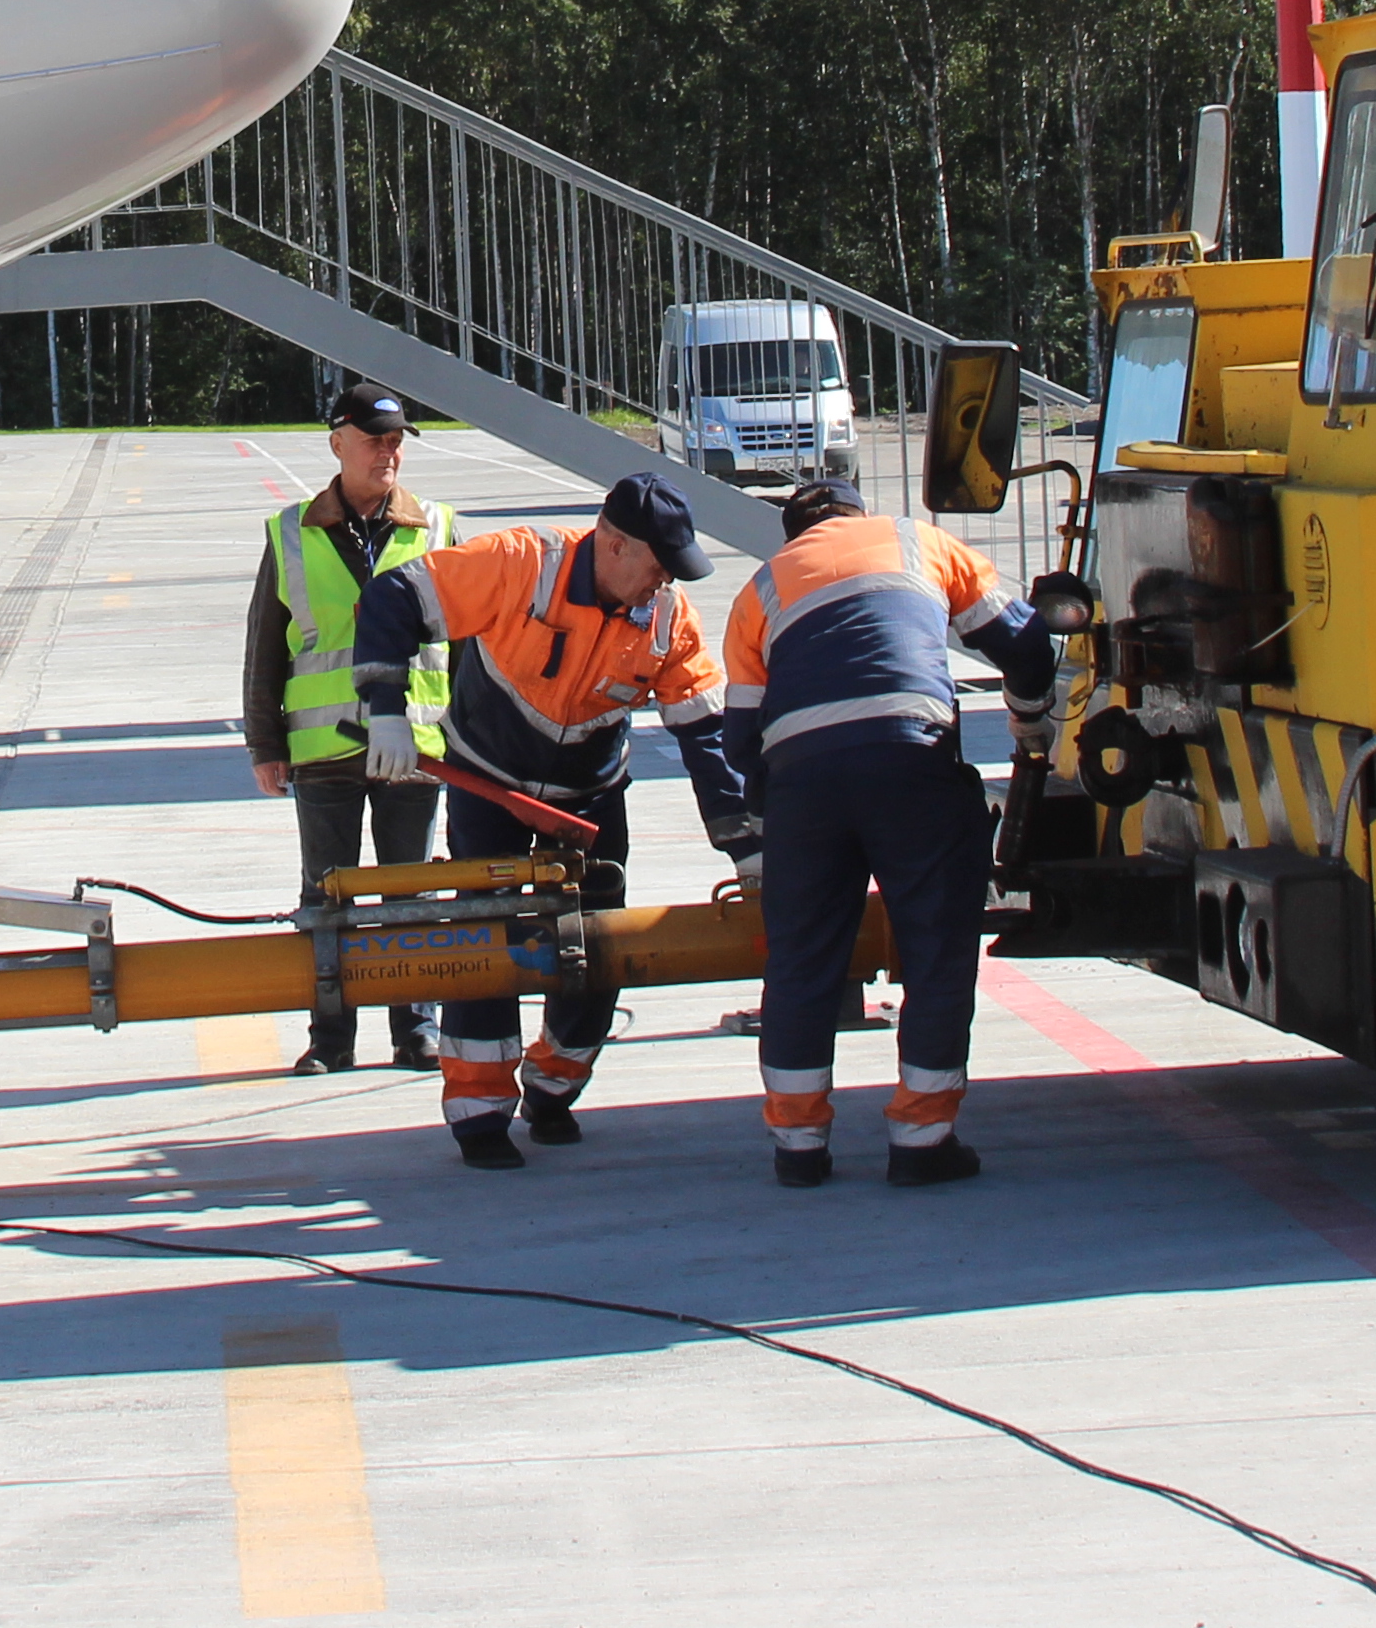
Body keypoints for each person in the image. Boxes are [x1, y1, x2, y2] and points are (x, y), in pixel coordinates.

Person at [349, 472, 753, 1169]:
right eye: (655, 567)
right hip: (489, 781)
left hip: (588, 798)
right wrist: (385, 707)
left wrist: (746, 844)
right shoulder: (519, 563)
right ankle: (478, 1113)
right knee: (489, 936)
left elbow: (706, 732)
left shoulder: (665, 620)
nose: (662, 584)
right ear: (614, 545)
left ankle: (554, 1088)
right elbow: (394, 596)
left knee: (599, 944)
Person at [712, 463, 1057, 1188]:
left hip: (805, 782)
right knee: (936, 945)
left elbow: (741, 739)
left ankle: (799, 1144)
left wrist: (785, 814)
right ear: (856, 513)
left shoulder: (762, 589)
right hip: (912, 763)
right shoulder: (918, 542)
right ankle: (922, 1139)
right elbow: (1025, 644)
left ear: (797, 534)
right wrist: (1029, 721)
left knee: (802, 959)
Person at [238, 383, 458, 1074]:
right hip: (322, 747)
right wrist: (264, 744)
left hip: (418, 746)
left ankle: (415, 1029)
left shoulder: (440, 527)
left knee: (411, 893)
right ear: (338, 443)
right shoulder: (291, 533)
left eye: (397, 441)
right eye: (375, 440)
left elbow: (472, 646)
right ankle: (330, 1038)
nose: (388, 453)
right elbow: (264, 648)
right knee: (327, 894)